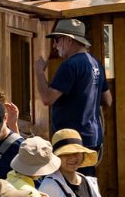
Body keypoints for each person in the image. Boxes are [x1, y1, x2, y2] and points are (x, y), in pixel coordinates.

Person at [34, 18, 111, 164]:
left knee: (72, 185)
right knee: (87, 183)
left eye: (57, 40)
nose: (55, 45)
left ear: (68, 40)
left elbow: (47, 99)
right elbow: (108, 100)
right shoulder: (96, 64)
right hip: (92, 138)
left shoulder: (69, 65)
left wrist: (38, 72)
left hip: (72, 141)